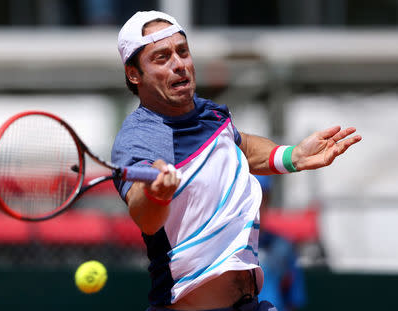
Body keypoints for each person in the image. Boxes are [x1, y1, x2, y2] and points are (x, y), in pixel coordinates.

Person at [111, 10, 361, 311]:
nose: (179, 65)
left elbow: (239, 144)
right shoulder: (141, 137)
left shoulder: (209, 114)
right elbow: (145, 215)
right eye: (162, 58)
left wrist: (291, 156)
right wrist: (156, 194)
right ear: (133, 74)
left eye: (183, 52)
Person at [255, 175, 306, 311]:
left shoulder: (284, 246)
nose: (257, 206)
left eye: (262, 199)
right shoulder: (228, 246)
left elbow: (294, 299)